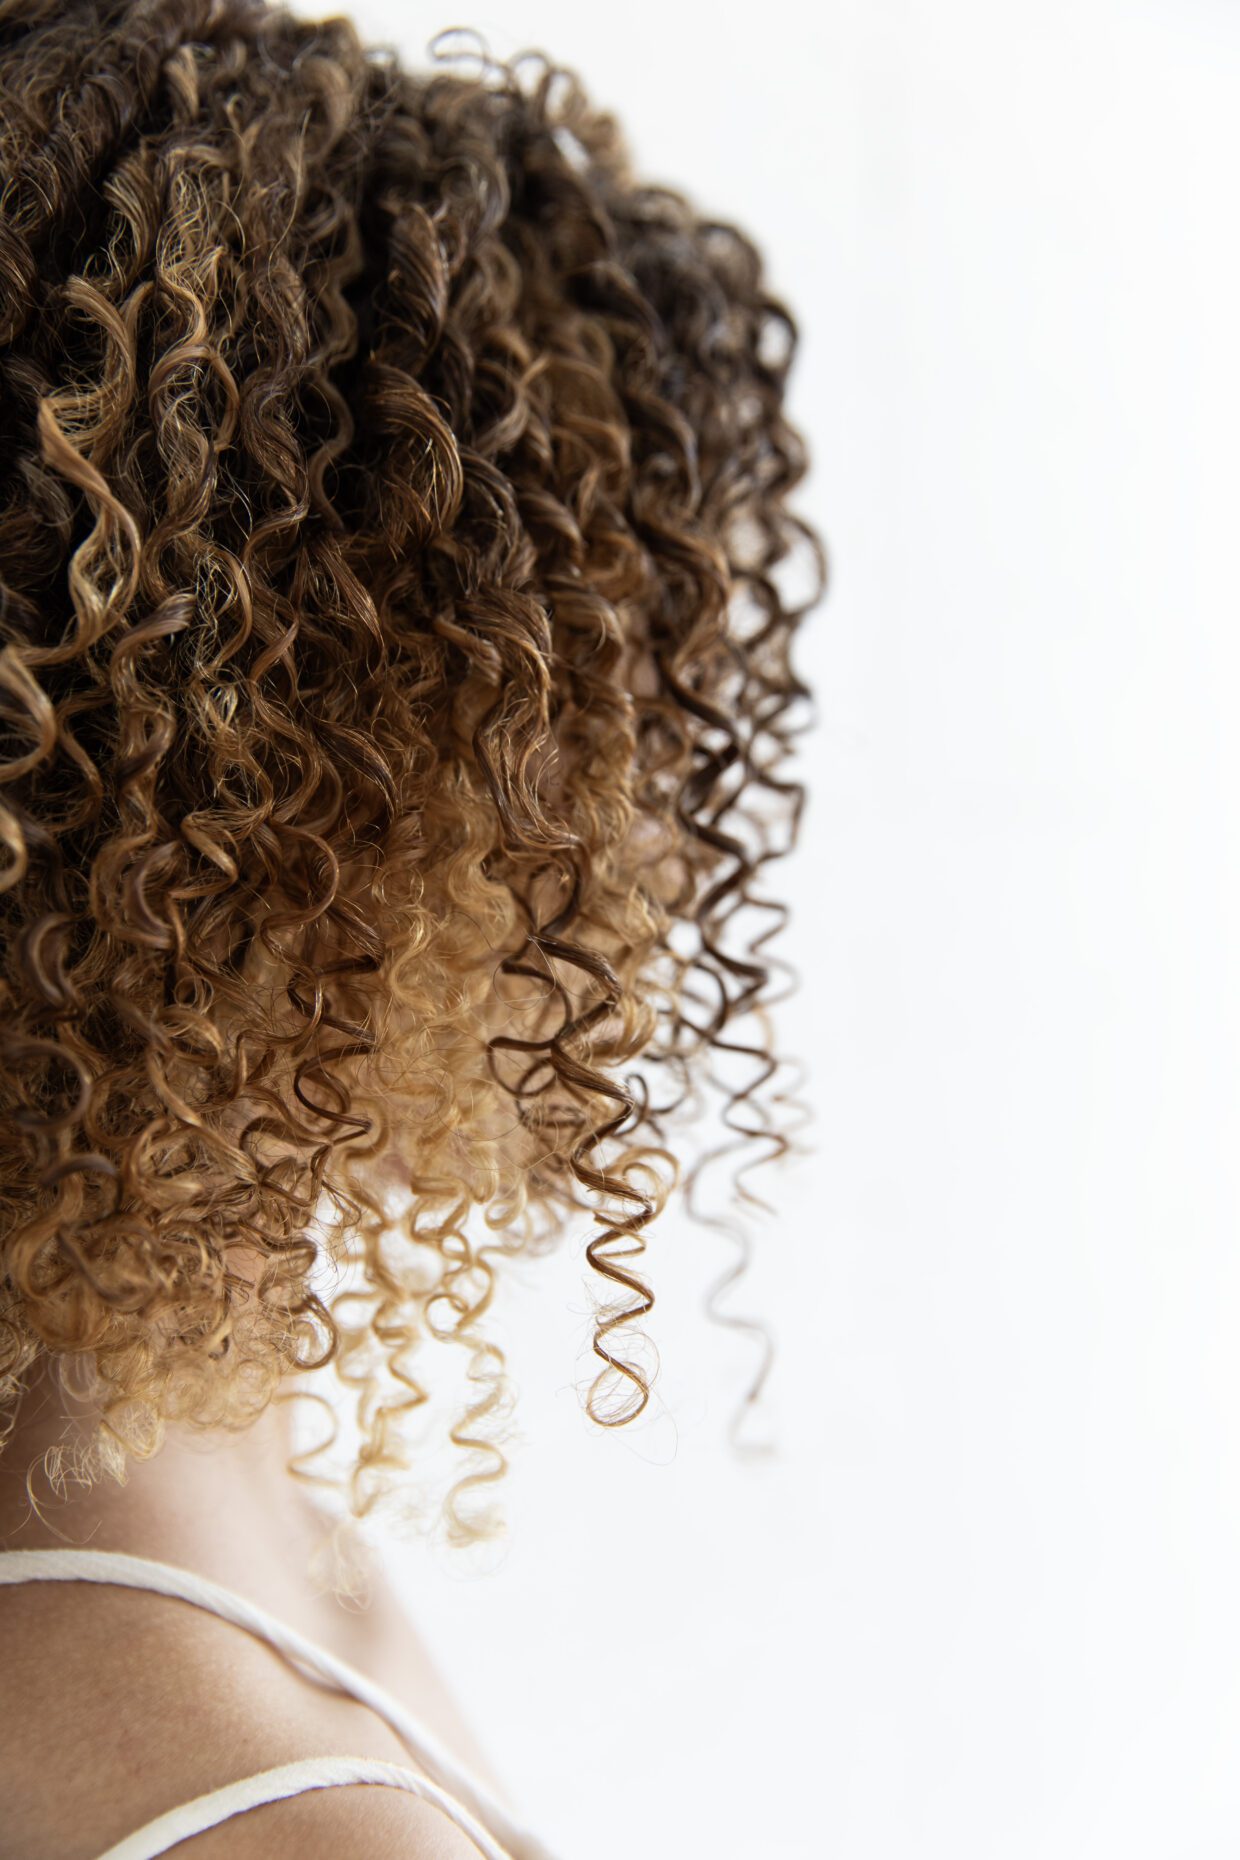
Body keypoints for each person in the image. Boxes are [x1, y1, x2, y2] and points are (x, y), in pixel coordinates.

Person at [0, 0, 823, 1853]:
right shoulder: (267, 1809)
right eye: (609, 714)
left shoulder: (229, 1551)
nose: (659, 857)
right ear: (317, 777)